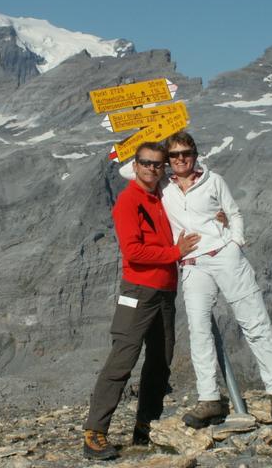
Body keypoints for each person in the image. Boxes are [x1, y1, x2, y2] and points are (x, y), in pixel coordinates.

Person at [161, 131, 272, 428]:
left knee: (253, 320)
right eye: (174, 155)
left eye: (186, 153)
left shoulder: (213, 180)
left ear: (195, 154)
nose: (181, 159)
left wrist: (235, 243)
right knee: (199, 329)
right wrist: (147, 130)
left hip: (225, 256)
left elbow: (234, 213)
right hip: (193, 265)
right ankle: (209, 398)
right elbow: (127, 169)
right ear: (168, 160)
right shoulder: (164, 189)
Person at [82, 141, 201, 460]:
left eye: (158, 163)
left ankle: (146, 427)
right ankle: (95, 433)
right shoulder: (128, 201)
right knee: (123, 358)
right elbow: (133, 251)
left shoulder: (162, 197)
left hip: (165, 290)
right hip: (138, 291)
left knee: (160, 362)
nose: (152, 168)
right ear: (135, 166)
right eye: (146, 163)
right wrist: (175, 253)